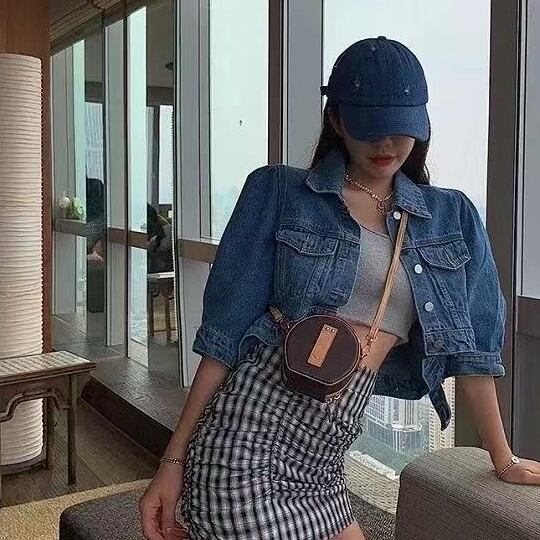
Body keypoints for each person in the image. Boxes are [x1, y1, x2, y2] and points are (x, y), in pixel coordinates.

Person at [139, 37, 540, 540]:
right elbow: (223, 337)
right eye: (370, 127)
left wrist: (502, 458)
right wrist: (172, 461)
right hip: (246, 442)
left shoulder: (451, 216)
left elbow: (474, 351)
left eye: (400, 128)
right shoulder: (279, 192)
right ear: (337, 120)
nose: (386, 145)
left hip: (325, 463)